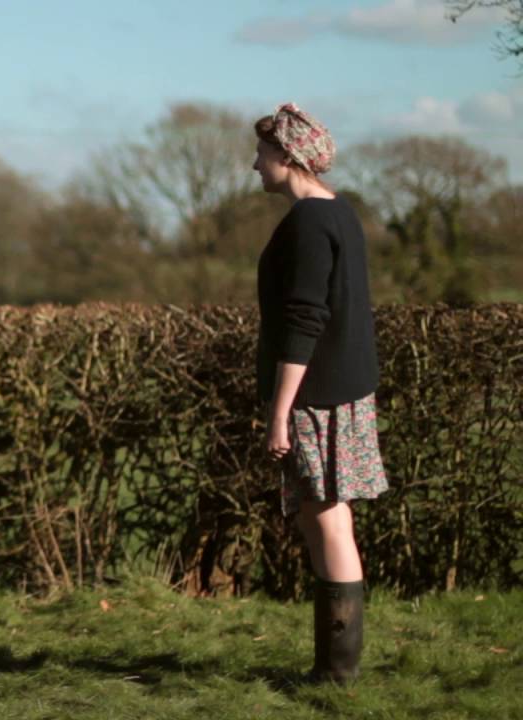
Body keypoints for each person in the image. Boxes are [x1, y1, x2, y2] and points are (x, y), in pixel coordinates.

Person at [252, 103, 389, 684]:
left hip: (318, 397)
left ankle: (337, 673)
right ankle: (332, 668)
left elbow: (305, 320)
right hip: (339, 390)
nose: (254, 165)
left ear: (286, 156)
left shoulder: (309, 222)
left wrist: (280, 413)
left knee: (329, 521)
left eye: (261, 154)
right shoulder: (341, 213)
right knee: (323, 520)